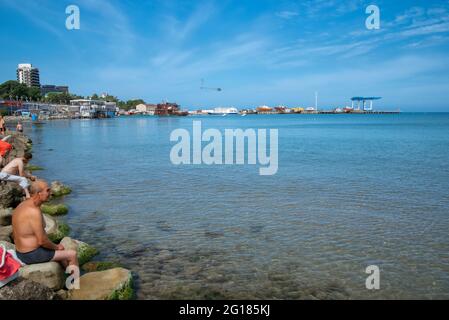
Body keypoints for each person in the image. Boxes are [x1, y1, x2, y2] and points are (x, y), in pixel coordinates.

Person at [12, 180, 78, 269]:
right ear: (39, 193)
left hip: (21, 251)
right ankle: (75, 282)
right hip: (31, 254)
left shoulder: (23, 205)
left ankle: (67, 276)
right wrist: (56, 247)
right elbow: (42, 241)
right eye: (47, 190)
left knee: (60, 250)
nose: (51, 193)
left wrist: (56, 247)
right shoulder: (34, 211)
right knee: (72, 254)